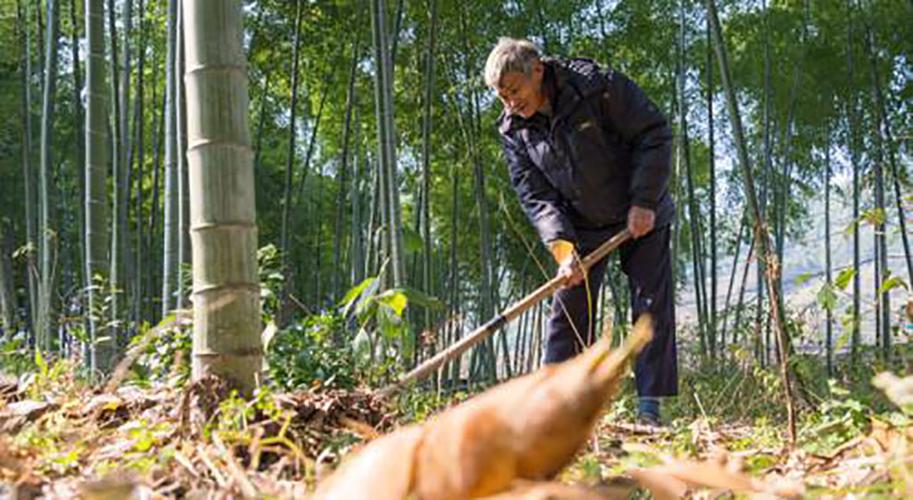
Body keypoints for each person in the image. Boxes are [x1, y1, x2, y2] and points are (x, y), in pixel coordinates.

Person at [485, 37, 677, 425]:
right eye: (501, 96)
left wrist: (643, 200)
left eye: (514, 91)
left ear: (536, 70)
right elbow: (535, 195)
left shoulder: (595, 86)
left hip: (638, 210)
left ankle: (649, 408)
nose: (510, 103)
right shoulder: (513, 129)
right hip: (579, 223)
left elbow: (654, 133)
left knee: (649, 302)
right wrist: (562, 247)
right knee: (569, 310)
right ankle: (554, 410)